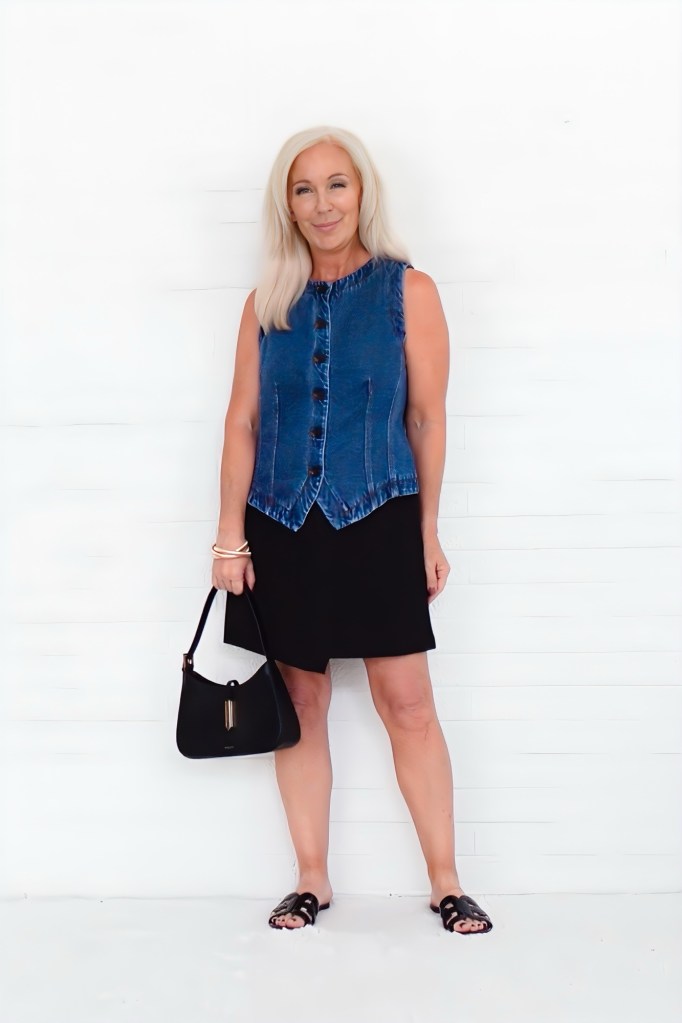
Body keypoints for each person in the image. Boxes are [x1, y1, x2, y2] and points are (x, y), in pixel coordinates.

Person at [211, 126, 493, 936]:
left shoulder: (411, 291)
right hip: (281, 521)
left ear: (362, 192)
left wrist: (428, 531)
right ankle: (310, 878)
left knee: (406, 701)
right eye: (304, 189)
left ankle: (445, 880)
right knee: (298, 700)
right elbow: (241, 423)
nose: (322, 203)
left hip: (377, 514)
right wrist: (230, 535)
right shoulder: (266, 304)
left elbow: (428, 418)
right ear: (287, 205)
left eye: (337, 185)